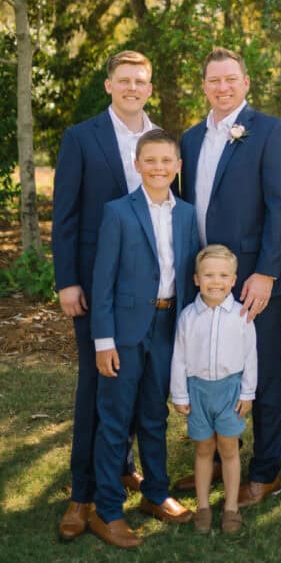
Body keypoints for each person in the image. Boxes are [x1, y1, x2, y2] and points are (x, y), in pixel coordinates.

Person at [175, 47, 281, 507]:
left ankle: (266, 472)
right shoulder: (190, 139)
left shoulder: (271, 132)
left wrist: (266, 272)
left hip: (255, 280)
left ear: (246, 83)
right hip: (208, 281)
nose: (222, 88)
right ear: (204, 86)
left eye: (231, 79)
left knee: (260, 372)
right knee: (213, 367)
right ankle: (221, 456)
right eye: (214, 81)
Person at [52, 50, 155, 540]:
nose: (132, 87)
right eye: (124, 80)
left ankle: (122, 466)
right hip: (96, 287)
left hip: (153, 288)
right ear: (109, 85)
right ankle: (81, 493)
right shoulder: (81, 137)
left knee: (137, 384)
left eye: (140, 80)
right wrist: (67, 281)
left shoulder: (162, 140)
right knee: (96, 386)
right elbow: (66, 215)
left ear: (149, 88)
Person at [88, 129, 198, 548]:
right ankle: (108, 509)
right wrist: (104, 342)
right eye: (149, 161)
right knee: (115, 418)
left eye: (166, 161)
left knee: (155, 414)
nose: (158, 168)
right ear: (137, 165)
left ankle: (155, 492)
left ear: (177, 166)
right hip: (125, 330)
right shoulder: (118, 212)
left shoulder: (187, 214)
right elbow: (102, 283)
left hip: (168, 327)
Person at [171, 244, 257, 534]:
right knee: (204, 448)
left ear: (233, 280)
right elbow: (179, 358)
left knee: (229, 448)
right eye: (208, 275)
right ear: (197, 279)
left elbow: (250, 357)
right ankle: (204, 506)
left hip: (230, 392)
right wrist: (180, 394)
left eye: (223, 275)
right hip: (198, 392)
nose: (215, 282)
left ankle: (231, 507)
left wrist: (247, 393)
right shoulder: (188, 317)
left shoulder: (241, 316)